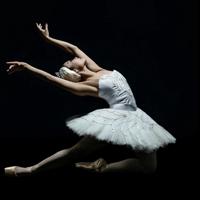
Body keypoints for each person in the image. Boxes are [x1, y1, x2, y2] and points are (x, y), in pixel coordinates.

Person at [4, 23, 176, 177]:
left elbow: (73, 48)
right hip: (117, 119)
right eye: (71, 61)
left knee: (148, 166)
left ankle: (100, 167)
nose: (74, 57)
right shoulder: (88, 85)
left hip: (136, 116)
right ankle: (28, 170)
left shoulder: (98, 70)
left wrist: (49, 39)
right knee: (75, 152)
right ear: (75, 72)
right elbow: (51, 78)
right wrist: (27, 67)